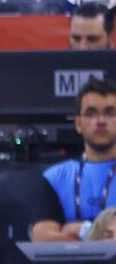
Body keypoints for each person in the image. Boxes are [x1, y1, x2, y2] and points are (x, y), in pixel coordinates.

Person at [33, 78, 116, 242]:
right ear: (78, 123)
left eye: (110, 113)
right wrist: (99, 234)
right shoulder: (56, 177)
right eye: (91, 114)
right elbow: (42, 237)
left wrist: (79, 230)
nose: (100, 121)